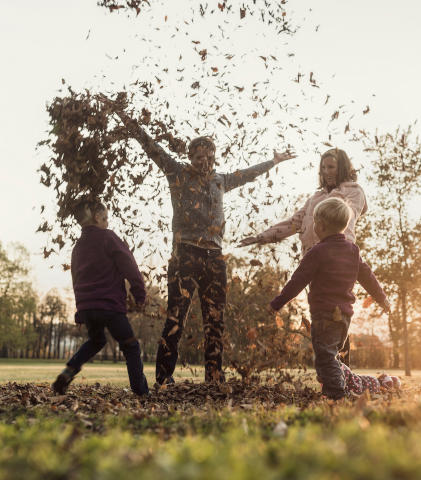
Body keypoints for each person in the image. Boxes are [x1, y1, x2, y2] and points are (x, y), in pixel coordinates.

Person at [112, 107, 296, 386]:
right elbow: (151, 147)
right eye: (200, 157)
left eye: (210, 157)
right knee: (176, 317)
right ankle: (164, 377)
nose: (205, 162)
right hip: (184, 255)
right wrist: (126, 119)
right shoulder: (176, 173)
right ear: (190, 157)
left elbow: (247, 174)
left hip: (214, 257)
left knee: (215, 319)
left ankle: (214, 375)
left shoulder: (221, 180)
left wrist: (273, 161)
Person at [239, 148, 366, 365]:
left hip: (338, 259)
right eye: (323, 167)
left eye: (331, 167)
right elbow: (295, 222)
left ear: (342, 167)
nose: (326, 171)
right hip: (314, 258)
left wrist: (333, 195)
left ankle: (341, 372)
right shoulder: (315, 198)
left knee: (337, 314)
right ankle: (329, 373)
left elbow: (346, 215)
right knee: (320, 313)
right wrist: (263, 236)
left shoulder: (353, 192)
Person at [267, 197, 391, 400]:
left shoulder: (318, 252)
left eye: (314, 222)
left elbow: (297, 281)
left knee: (325, 358)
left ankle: (336, 394)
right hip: (344, 318)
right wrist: (382, 298)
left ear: (321, 225)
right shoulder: (353, 251)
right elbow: (368, 277)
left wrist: (277, 303)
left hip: (324, 316)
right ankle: (356, 385)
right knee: (331, 357)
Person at [53, 201, 150, 396]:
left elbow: (76, 279)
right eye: (105, 218)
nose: (107, 223)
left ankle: (70, 369)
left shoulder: (78, 247)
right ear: (97, 218)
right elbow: (128, 263)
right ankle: (142, 392)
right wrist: (139, 292)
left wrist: (80, 313)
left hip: (87, 307)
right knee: (131, 346)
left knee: (96, 340)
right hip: (109, 304)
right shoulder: (108, 237)